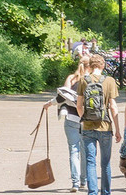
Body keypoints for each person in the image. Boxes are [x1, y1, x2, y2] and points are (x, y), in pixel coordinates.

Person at [77, 54, 122, 195]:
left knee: (90, 162)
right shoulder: (109, 81)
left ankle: (92, 193)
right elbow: (113, 107)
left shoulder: (83, 80)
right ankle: (106, 192)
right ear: (102, 66)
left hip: (88, 127)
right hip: (105, 127)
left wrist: (84, 118)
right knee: (105, 163)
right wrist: (118, 130)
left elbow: (79, 105)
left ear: (90, 66)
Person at [44, 57, 90, 192]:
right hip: (87, 120)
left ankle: (75, 183)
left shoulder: (71, 78)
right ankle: (84, 181)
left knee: (74, 150)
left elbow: (62, 96)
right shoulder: (93, 79)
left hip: (71, 118)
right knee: (85, 151)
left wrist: (49, 104)